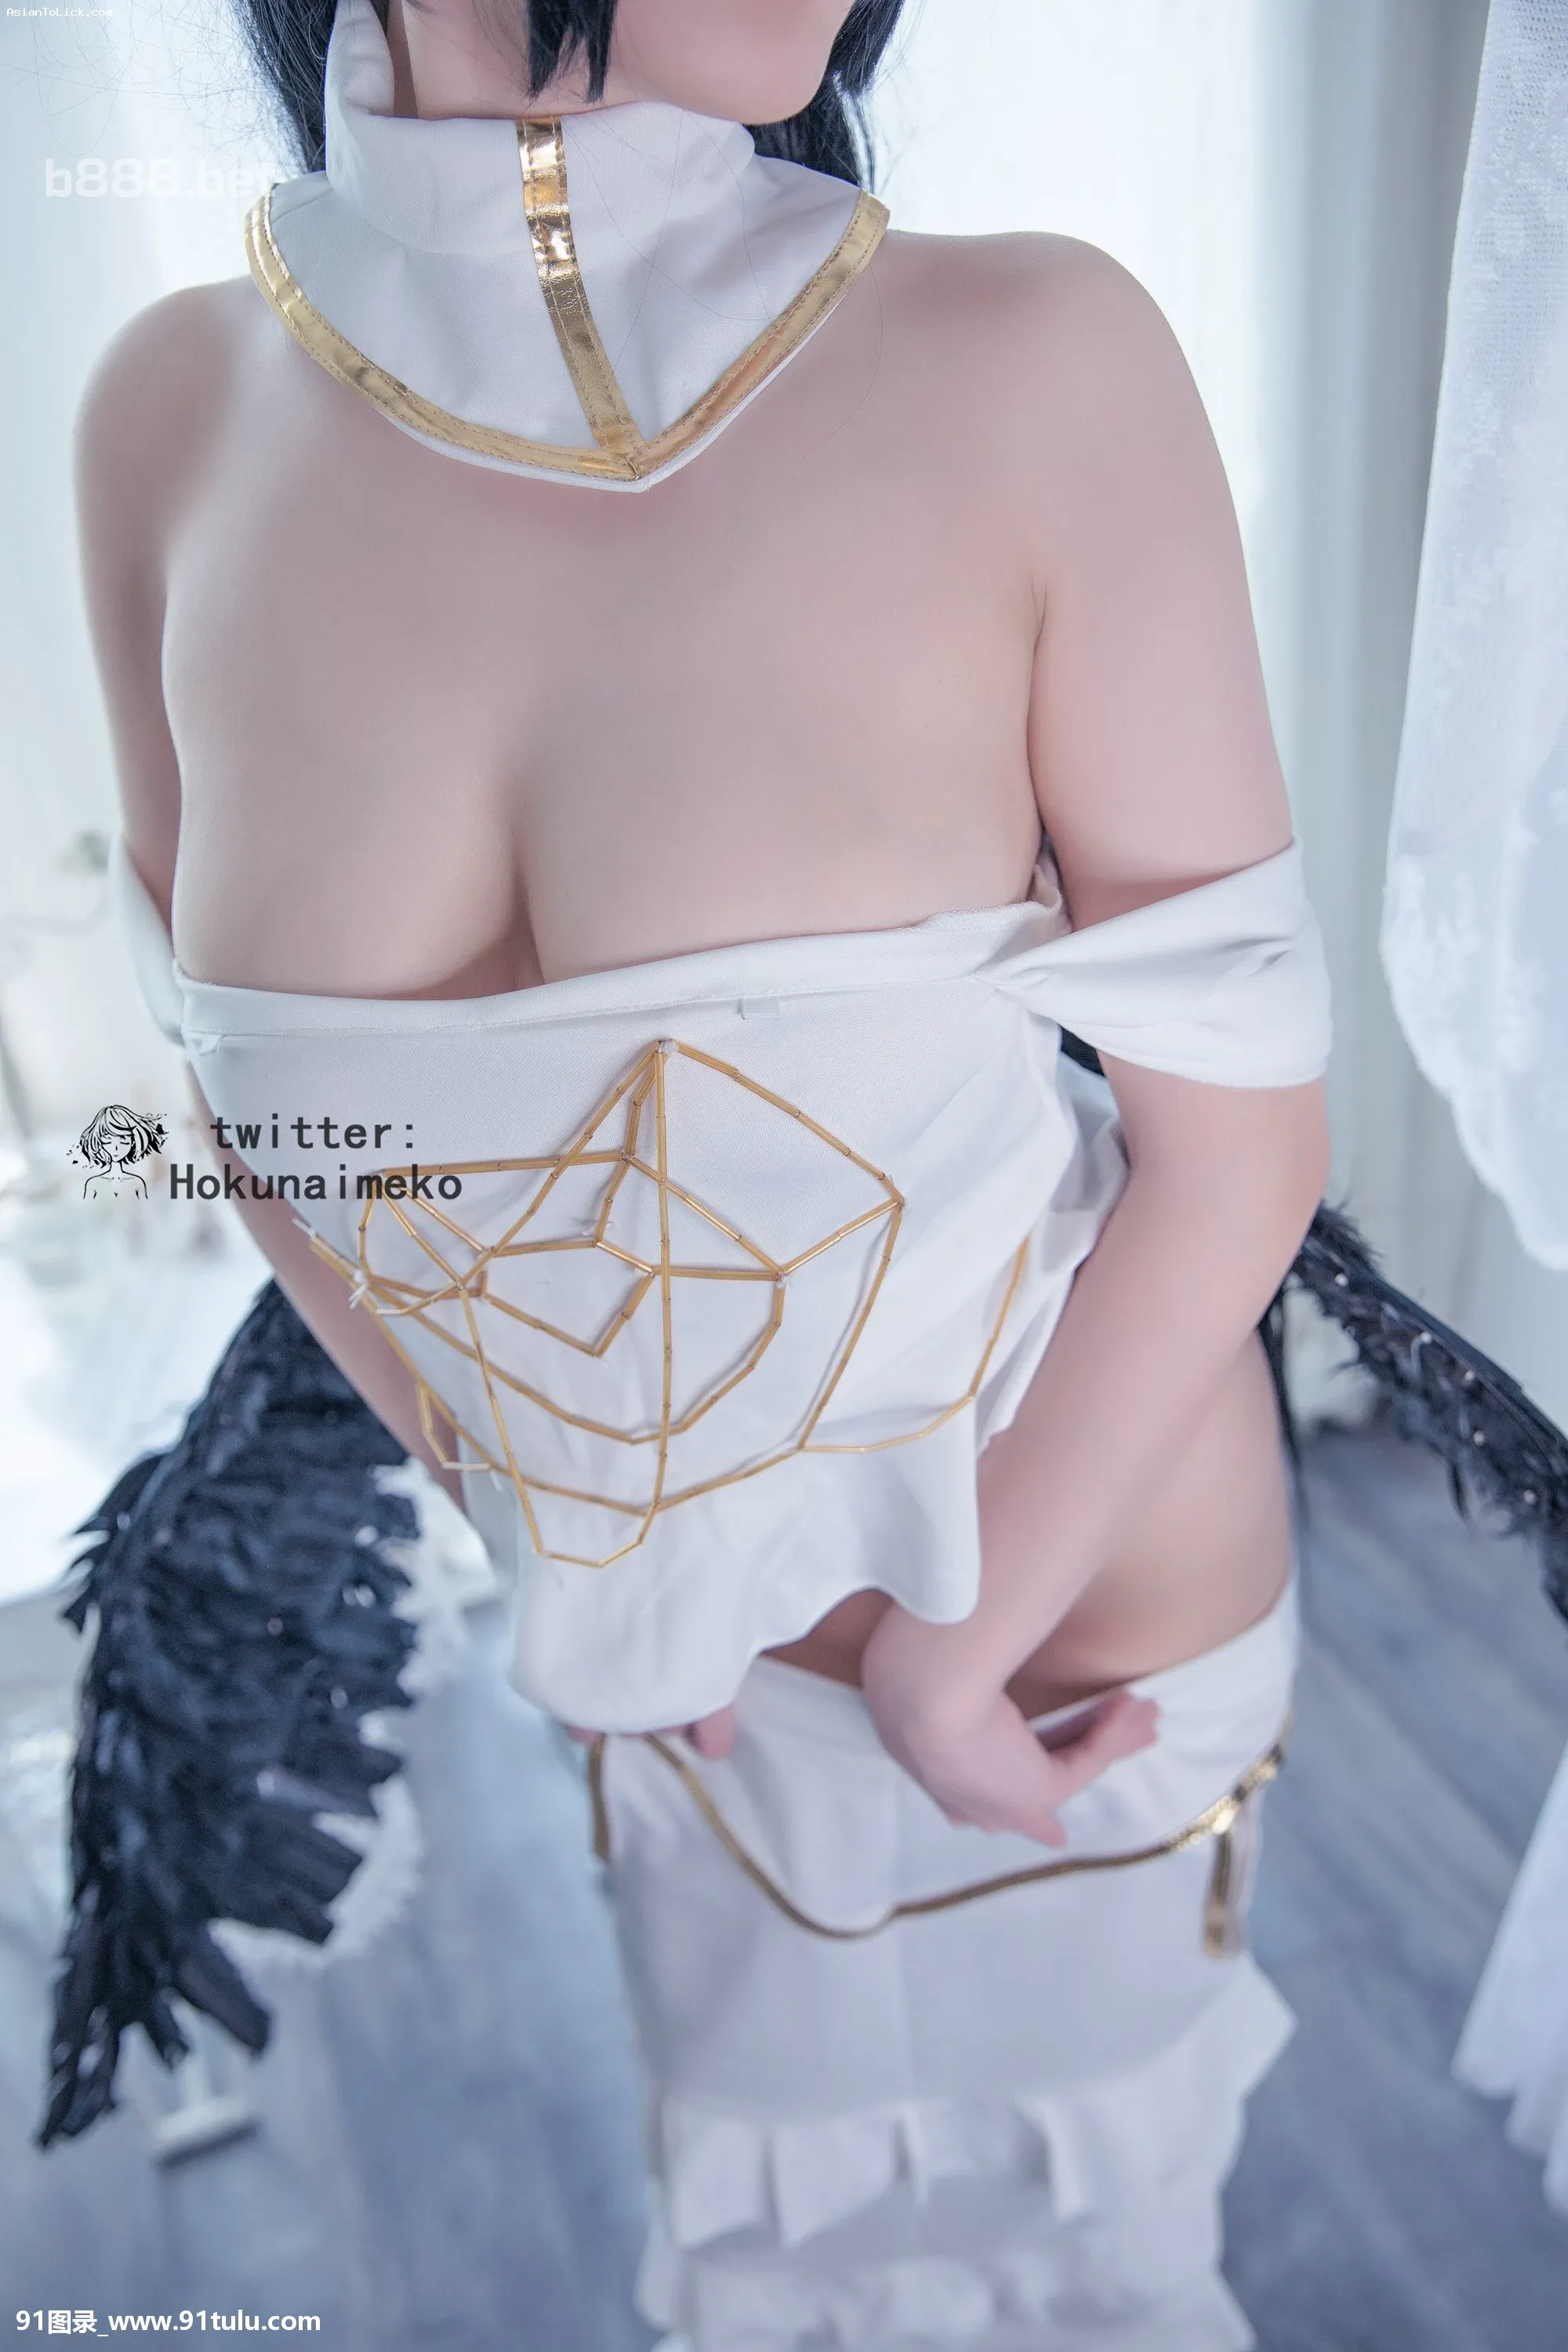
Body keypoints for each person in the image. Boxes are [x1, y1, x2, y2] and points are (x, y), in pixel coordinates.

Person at [82, 0, 1332, 2340]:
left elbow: (1241, 1139)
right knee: (767, 2258)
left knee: (1107, 2265)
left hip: (1070, 1614)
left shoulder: (1035, 357)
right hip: (678, 1677)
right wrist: (531, 1524)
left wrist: (954, 1666)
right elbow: (256, 1124)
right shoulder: (167, 413)